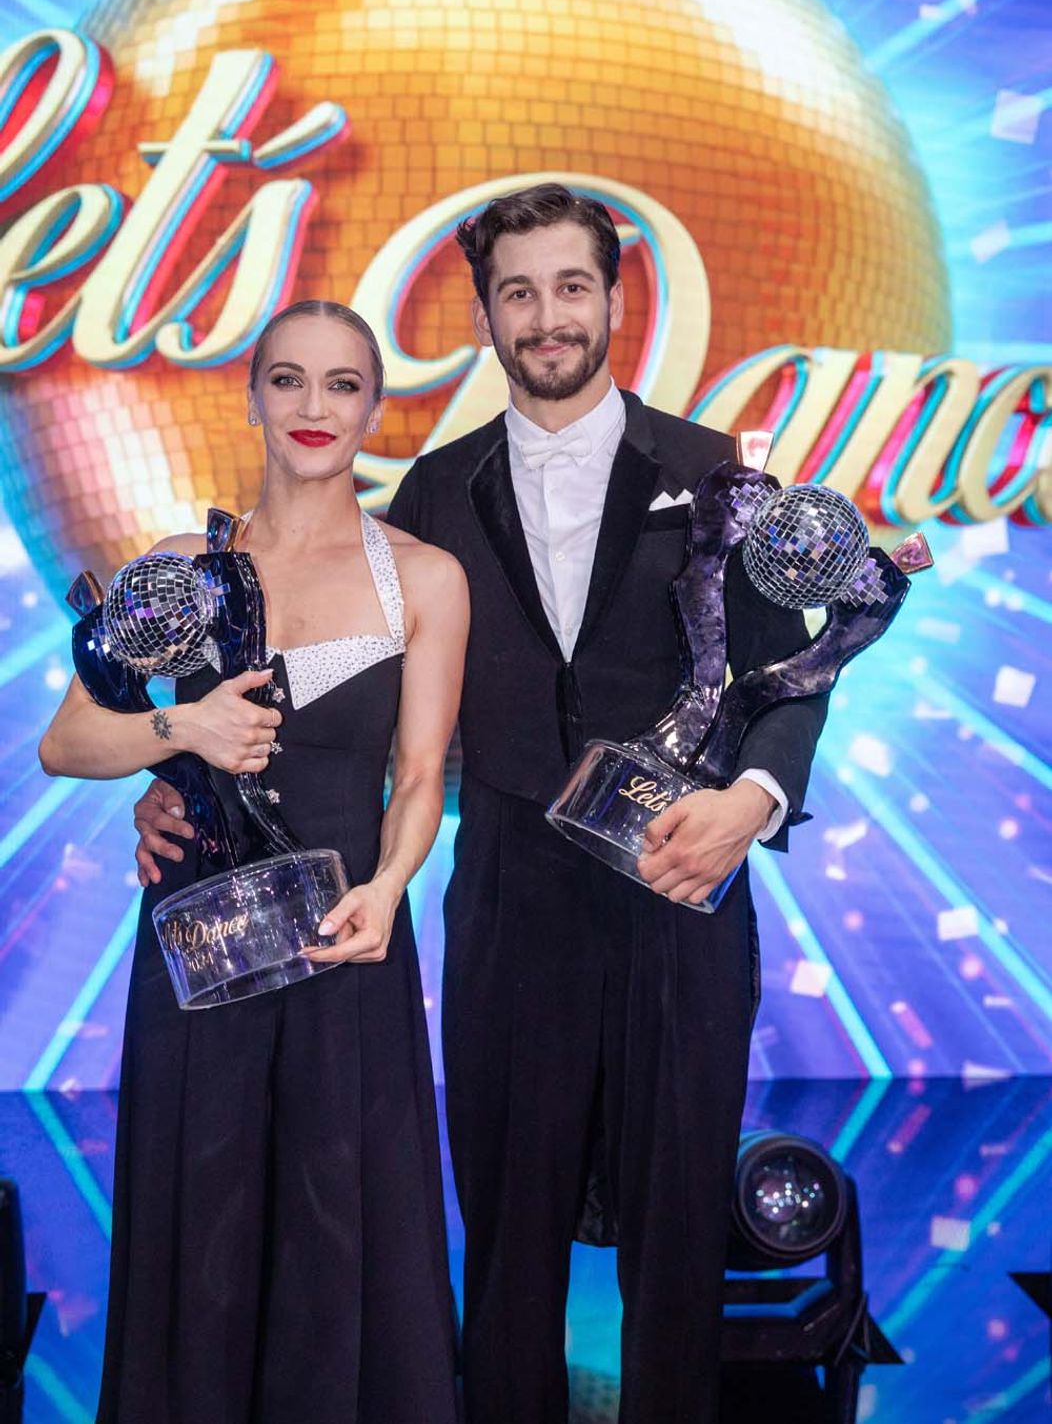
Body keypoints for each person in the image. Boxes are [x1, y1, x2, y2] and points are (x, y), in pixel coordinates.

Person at [133, 186, 828, 1424]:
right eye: (517, 292)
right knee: (506, 1242)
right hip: (508, 902)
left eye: (569, 287)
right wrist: (173, 779)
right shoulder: (433, 495)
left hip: (678, 887)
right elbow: (326, 693)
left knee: (679, 1241)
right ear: (483, 317)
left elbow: (788, 672)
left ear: (613, 299)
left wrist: (755, 799)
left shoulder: (715, 472)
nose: (546, 316)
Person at [40, 300, 468, 1424]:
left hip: (345, 939)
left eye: (341, 384)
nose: (313, 406)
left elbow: (421, 776)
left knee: (341, 1219)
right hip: (200, 942)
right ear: (251, 398)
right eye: (288, 380)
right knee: (206, 1218)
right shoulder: (182, 566)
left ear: (374, 407)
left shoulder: (425, 577)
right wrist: (179, 730)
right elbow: (67, 740)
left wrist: (389, 889)